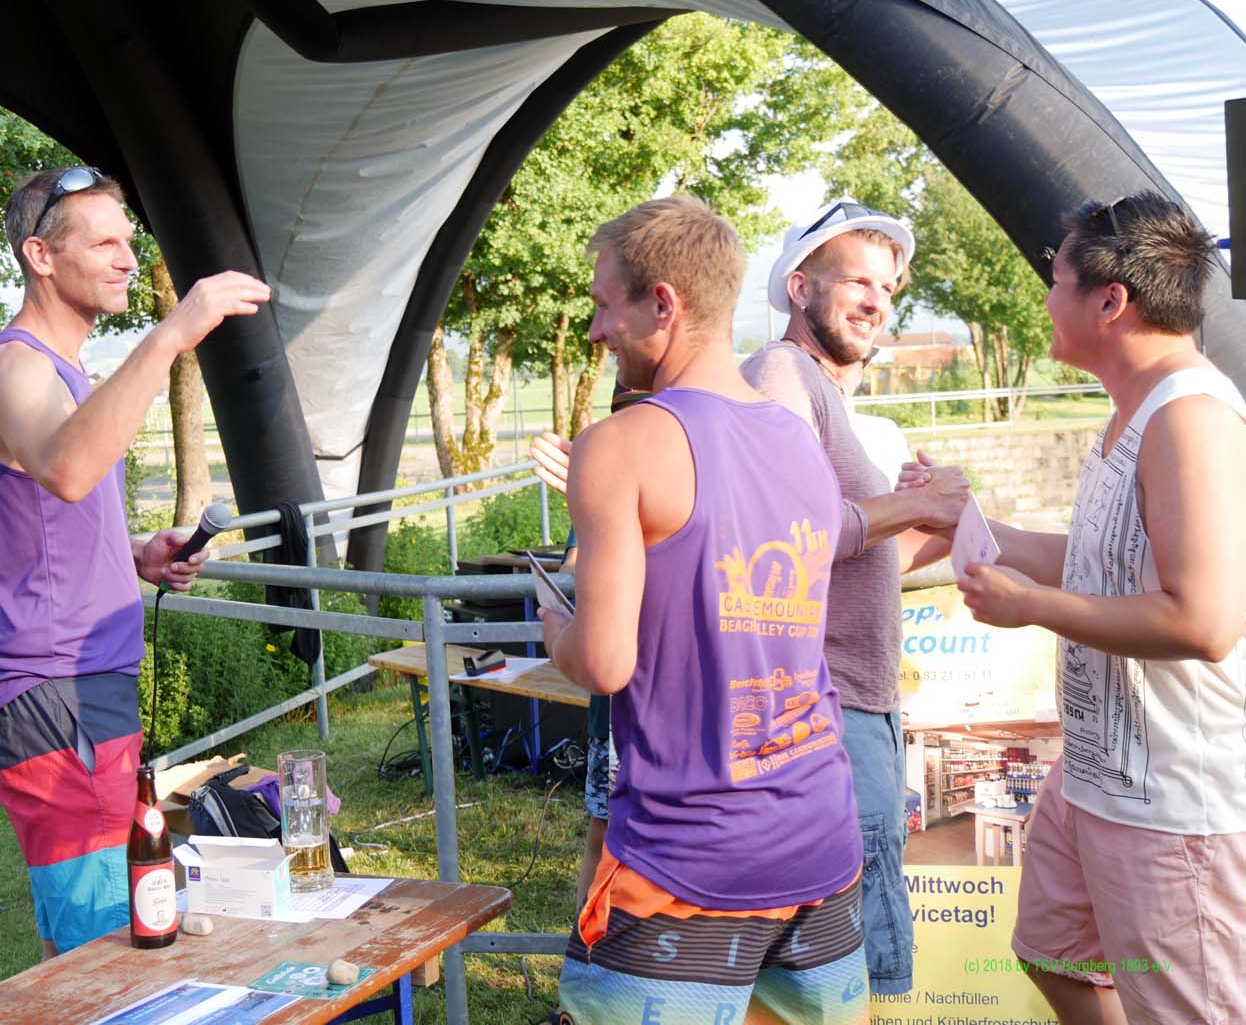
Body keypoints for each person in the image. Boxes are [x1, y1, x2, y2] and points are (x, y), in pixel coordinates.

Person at [531, 198, 970, 998]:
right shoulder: (798, 439)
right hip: (819, 845)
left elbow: (603, 662)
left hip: (686, 862)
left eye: (604, 304)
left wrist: (556, 623)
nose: (596, 330)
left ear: (663, 303)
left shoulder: (619, 443)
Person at [936, 191, 1246, 1025]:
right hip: (1100, 776)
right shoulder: (1134, 411)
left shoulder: (1191, 418)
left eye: (1056, 281)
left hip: (1176, 799)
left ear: (1111, 302)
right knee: (1055, 955)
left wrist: (1036, 607)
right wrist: (968, 527)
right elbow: (1103, 564)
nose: (1046, 300)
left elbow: (1205, 621)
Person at [0, 166, 270, 957]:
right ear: (40, 256)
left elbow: (45, 514)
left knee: (100, 933)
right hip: (59, 695)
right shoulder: (15, 367)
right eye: (103, 243)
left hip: (80, 689)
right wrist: (169, 336)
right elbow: (67, 470)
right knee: (106, 948)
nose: (129, 259)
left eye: (128, 241)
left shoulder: (60, 373)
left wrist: (133, 553)